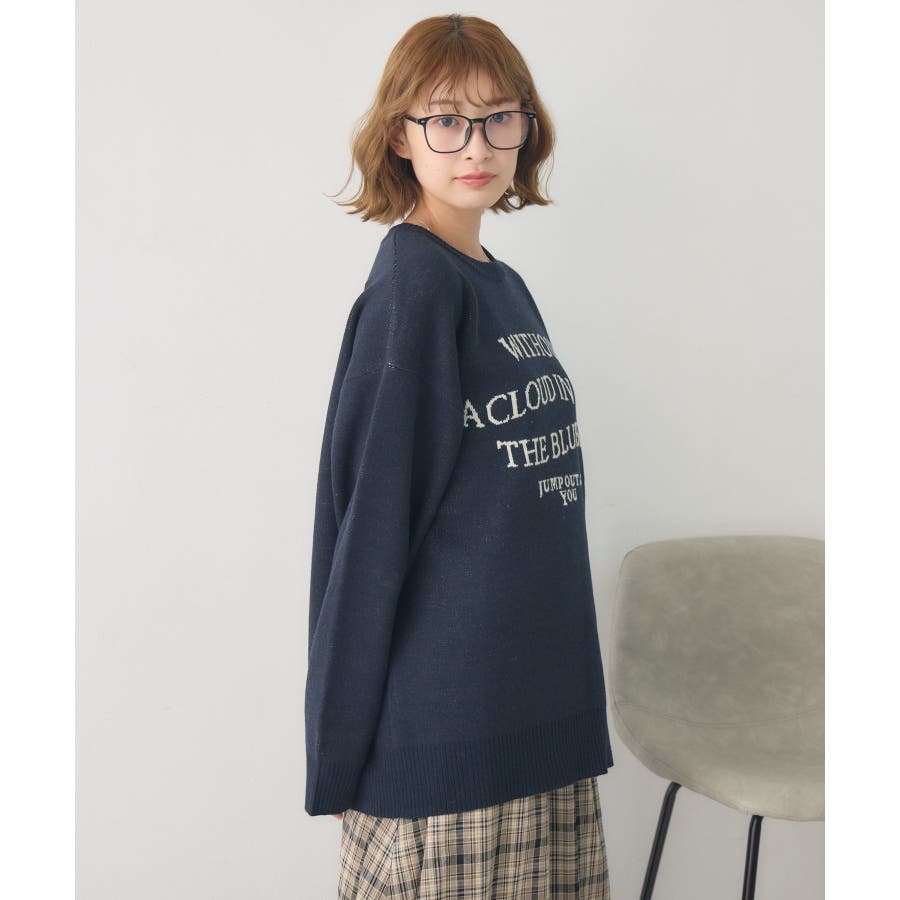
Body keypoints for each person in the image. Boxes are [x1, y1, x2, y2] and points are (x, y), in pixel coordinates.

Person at [306, 13, 614, 898]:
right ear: (400, 136)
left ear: (526, 128)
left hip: (540, 725)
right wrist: (338, 753)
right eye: (445, 119)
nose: (474, 145)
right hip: (451, 749)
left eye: (497, 117)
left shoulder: (501, 286)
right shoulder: (414, 292)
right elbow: (366, 534)